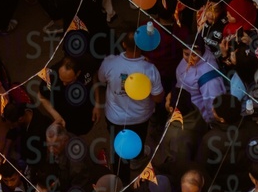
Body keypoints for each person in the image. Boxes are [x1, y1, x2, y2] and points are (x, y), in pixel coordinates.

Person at [95, 32, 164, 177]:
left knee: (118, 146)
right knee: (139, 138)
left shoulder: (109, 62)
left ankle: (121, 177)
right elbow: (158, 99)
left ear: (124, 44)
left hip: (115, 118)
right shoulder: (150, 69)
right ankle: (137, 159)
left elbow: (100, 79)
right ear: (142, 46)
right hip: (140, 117)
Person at [175, 40, 227, 124]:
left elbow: (212, 106)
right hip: (184, 109)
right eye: (186, 54)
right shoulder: (192, 54)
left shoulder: (209, 79)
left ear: (202, 52)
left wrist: (209, 123)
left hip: (197, 119)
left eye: (194, 55)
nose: (189, 59)